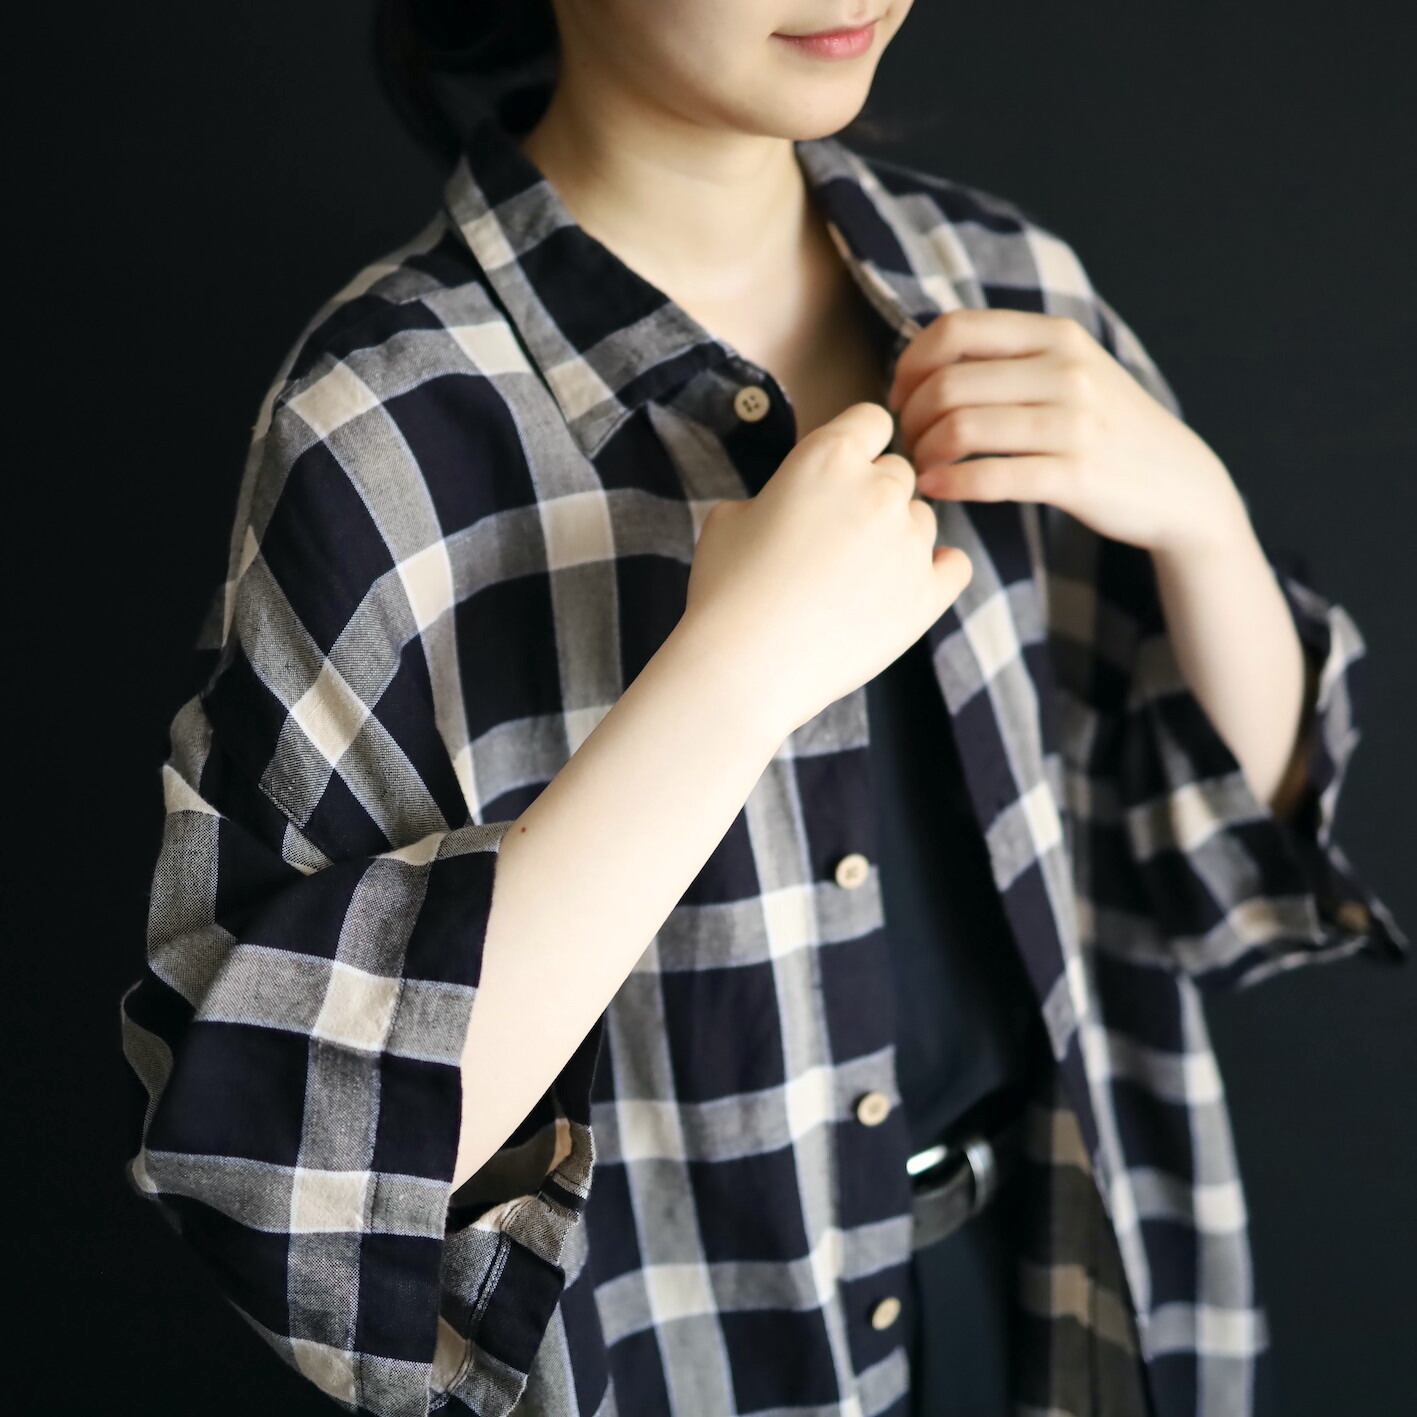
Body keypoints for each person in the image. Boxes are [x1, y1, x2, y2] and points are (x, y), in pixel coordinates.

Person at [118, 3, 1408, 1415]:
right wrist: (730, 678)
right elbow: (299, 1175)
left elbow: (1219, 863)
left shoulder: (1001, 284)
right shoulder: (381, 426)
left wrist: (1201, 518)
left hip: (1065, 1301)